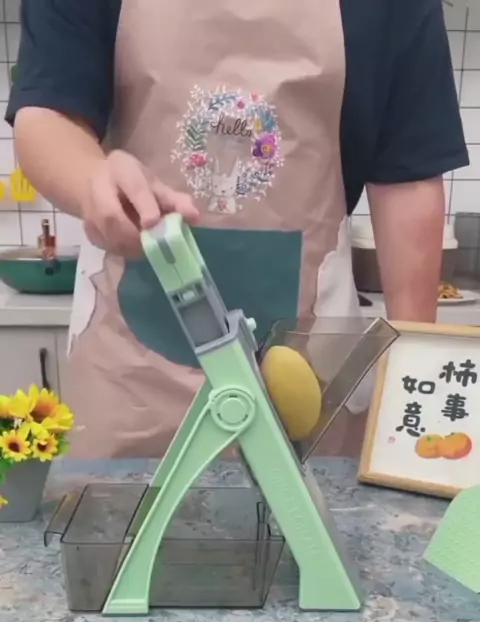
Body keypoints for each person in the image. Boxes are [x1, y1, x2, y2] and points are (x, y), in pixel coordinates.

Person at [7, 0, 468, 458]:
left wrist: (412, 378)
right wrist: (91, 179)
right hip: (130, 369)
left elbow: (407, 175)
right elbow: (49, 113)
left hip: (307, 371)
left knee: (307, 502)